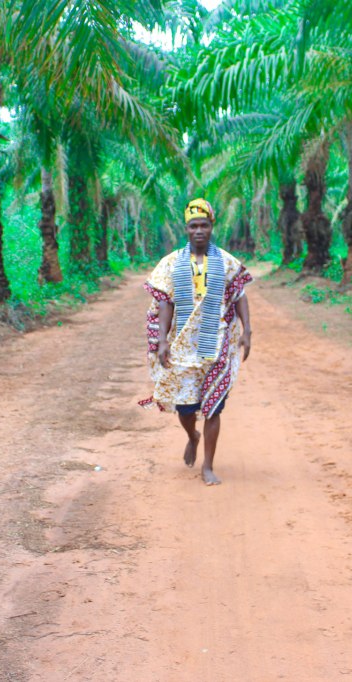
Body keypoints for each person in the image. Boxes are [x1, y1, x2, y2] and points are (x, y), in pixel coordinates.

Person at [139, 198, 253, 485]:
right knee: (186, 407)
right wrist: (163, 340)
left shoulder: (226, 262)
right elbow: (165, 302)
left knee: (214, 405)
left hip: (217, 346)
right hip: (183, 347)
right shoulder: (171, 263)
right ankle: (192, 435)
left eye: (204, 225)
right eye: (193, 226)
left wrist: (247, 330)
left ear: (212, 226)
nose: (199, 230)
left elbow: (239, 296)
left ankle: (208, 466)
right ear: (186, 228)